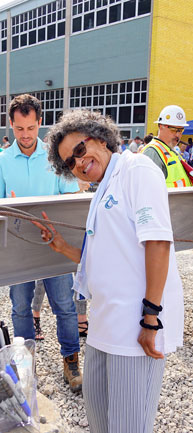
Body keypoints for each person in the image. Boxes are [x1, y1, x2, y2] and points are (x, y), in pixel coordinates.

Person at [38, 109, 183, 433]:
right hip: (103, 328)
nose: (78, 163)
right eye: (70, 162)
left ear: (100, 137)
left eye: (79, 150)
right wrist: (63, 248)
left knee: (128, 426)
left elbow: (158, 243)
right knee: (101, 422)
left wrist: (151, 317)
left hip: (134, 331)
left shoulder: (137, 171)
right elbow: (107, 256)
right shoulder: (103, 188)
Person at [0, 94, 82, 392]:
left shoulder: (55, 157)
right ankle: (25, 365)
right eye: (19, 128)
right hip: (18, 246)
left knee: (64, 306)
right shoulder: (2, 161)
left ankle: (70, 361)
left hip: (54, 245)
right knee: (20, 307)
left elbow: (71, 196)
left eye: (31, 128)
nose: (25, 135)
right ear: (10, 124)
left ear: (40, 123)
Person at [142, 105, 192, 187]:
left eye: (181, 130)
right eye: (174, 129)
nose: (178, 134)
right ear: (161, 126)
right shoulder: (152, 152)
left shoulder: (172, 151)